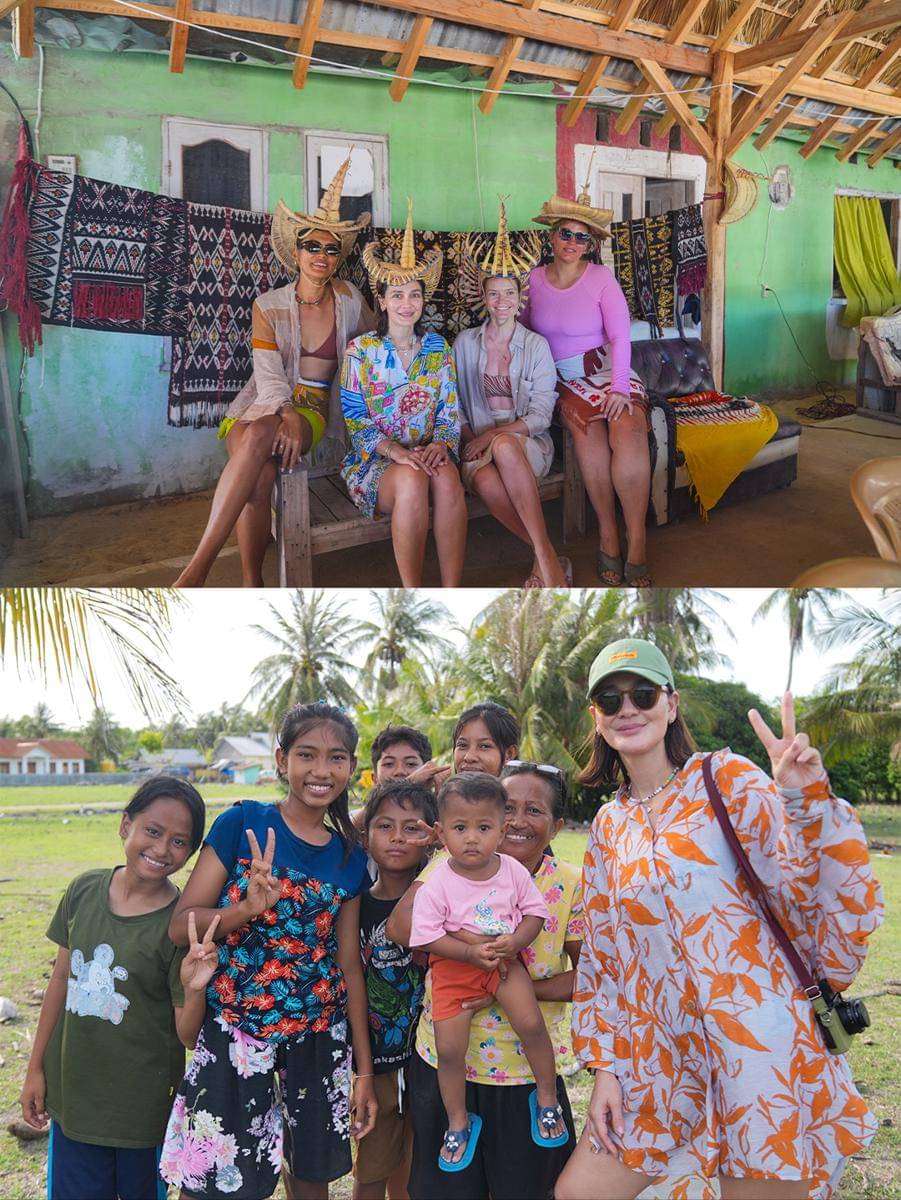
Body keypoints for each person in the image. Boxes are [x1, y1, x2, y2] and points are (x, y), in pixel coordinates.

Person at [556, 638, 885, 1200]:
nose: (627, 708)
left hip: (757, 1048)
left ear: (672, 703)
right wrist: (605, 1067)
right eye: (610, 699)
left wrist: (806, 800)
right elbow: (606, 962)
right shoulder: (611, 826)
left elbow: (805, 884)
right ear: (597, 716)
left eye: (643, 693)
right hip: (657, 1059)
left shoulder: (725, 778)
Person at [159, 702, 377, 1200]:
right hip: (237, 1038)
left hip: (317, 1044)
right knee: (210, 1187)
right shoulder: (243, 825)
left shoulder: (349, 858)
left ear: (351, 767)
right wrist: (245, 909)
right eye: (307, 754)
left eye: (336, 758)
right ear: (282, 760)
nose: (321, 771)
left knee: (310, 1184)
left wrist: (362, 1071)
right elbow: (180, 927)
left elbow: (348, 968)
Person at [387, 759, 583, 1200]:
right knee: (446, 1190)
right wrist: (470, 950)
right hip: (445, 1060)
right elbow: (405, 929)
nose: (516, 821)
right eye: (509, 807)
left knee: (527, 1188)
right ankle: (458, 1122)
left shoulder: (568, 884)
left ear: (556, 827)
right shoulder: (445, 867)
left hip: (521, 1078)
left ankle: (547, 1101)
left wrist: (506, 981)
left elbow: (593, 978)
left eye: (534, 811)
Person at [174, 153, 373, 587]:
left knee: (263, 447)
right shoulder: (267, 306)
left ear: (339, 257)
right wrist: (282, 411)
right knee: (261, 471)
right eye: (313, 246)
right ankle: (249, 581)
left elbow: (380, 347)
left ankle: (201, 571)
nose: (321, 255)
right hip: (261, 405)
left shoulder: (351, 301)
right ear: (297, 252)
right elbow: (266, 376)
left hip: (315, 412)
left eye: (330, 248)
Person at [18, 778, 207, 1200]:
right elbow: (59, 984)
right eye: (153, 832)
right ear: (126, 825)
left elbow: (187, 1035)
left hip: (143, 1114)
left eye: (179, 842)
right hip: (74, 1100)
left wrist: (196, 990)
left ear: (191, 853)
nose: (161, 850)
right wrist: (35, 1069)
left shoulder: (180, 924)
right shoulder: (84, 890)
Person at [522, 190, 652, 587]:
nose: (572, 243)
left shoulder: (600, 278)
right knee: (588, 436)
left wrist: (618, 389)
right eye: (565, 234)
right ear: (551, 237)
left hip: (610, 373)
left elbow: (621, 337)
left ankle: (638, 541)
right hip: (562, 381)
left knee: (627, 427)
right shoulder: (532, 281)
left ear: (591, 245)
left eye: (582, 238)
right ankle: (608, 533)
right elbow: (522, 333)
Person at [341, 200, 466, 587]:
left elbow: (450, 412)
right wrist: (395, 452)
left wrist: (442, 445)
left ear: (423, 300)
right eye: (396, 296)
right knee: (411, 479)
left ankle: (452, 589)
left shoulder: (438, 349)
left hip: (429, 452)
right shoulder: (360, 352)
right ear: (381, 301)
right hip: (378, 463)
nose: (406, 304)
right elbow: (356, 421)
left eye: (414, 295)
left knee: (446, 478)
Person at [454, 199, 569, 588]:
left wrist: (492, 436)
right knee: (485, 481)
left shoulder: (535, 346)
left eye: (508, 294)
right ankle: (548, 556)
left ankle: (546, 564)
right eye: (494, 294)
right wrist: (473, 439)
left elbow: (540, 413)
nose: (501, 302)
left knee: (504, 447)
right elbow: (452, 403)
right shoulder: (465, 343)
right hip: (477, 445)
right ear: (483, 297)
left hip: (528, 445)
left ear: (520, 298)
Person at [354, 779, 439, 1200]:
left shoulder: (441, 896)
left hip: (429, 1056)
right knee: (372, 1166)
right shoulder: (355, 905)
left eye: (412, 827)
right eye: (385, 826)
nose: (398, 837)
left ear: (431, 837)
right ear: (365, 836)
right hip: (376, 1061)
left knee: (420, 1161)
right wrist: (363, 1069)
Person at [372, 724, 451, 792]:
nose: (400, 771)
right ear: (375, 778)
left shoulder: (443, 807)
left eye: (410, 764)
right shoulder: (367, 810)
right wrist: (409, 782)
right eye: (389, 764)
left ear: (428, 771)